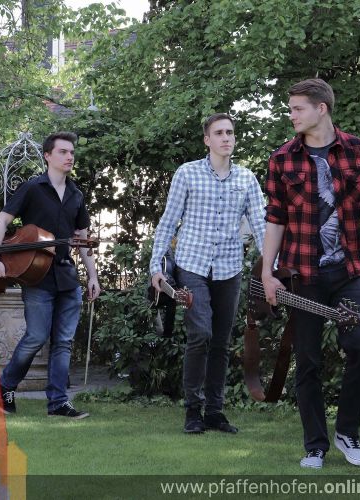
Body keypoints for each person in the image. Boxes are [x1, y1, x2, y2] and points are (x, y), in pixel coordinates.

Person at [261, 78, 360, 469]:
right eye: (291, 109)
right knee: (308, 361)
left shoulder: (359, 151)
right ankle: (315, 445)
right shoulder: (282, 159)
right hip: (302, 275)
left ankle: (348, 433)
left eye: (298, 108)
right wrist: (267, 273)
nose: (292, 115)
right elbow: (275, 218)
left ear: (321, 108)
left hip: (350, 271)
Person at [150, 113, 265, 434]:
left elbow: (261, 225)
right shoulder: (187, 173)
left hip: (229, 268)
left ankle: (215, 411)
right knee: (201, 334)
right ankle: (192, 410)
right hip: (193, 266)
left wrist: (272, 266)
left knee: (222, 342)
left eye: (230, 132)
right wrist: (156, 266)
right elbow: (168, 221)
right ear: (207, 140)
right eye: (219, 133)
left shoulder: (247, 179)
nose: (226, 137)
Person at [0, 131, 100, 418]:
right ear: (48, 156)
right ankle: (6, 385)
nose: (69, 157)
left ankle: (58, 403)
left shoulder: (76, 195)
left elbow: (83, 240)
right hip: (37, 276)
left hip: (67, 277)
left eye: (71, 152)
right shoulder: (32, 188)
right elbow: (2, 221)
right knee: (36, 337)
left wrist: (93, 276)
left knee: (63, 342)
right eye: (63, 152)